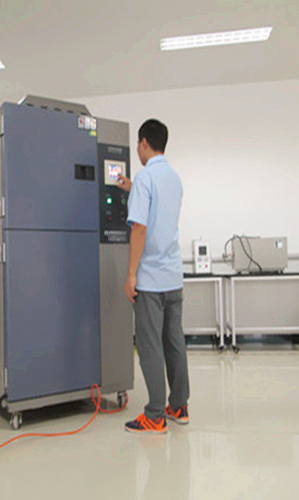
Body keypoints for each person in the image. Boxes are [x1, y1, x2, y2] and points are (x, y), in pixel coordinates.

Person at [117, 119, 189, 434]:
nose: (137, 149)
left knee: (149, 347)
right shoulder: (173, 179)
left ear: (144, 143)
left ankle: (155, 415)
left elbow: (140, 228)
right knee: (174, 342)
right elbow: (159, 209)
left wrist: (131, 274)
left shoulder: (146, 177)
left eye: (138, 144)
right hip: (173, 277)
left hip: (150, 280)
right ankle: (179, 406)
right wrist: (131, 187)